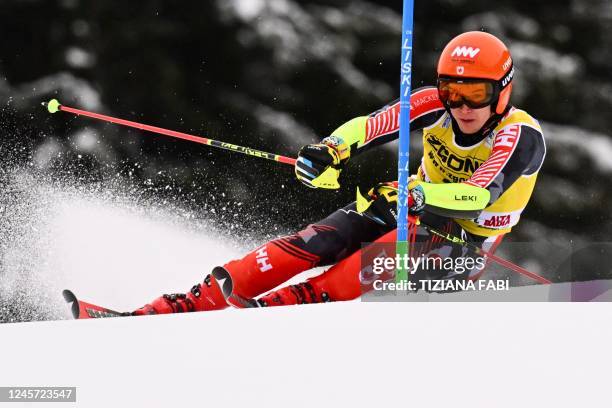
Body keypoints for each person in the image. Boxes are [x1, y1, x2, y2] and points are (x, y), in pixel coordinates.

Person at [131, 31, 546, 315]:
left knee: (363, 264)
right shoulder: (432, 105)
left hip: (462, 238)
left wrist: (418, 196)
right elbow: (370, 125)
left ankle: (278, 313)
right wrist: (330, 150)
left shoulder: (520, 135)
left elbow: (478, 197)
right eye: (451, 92)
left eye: (476, 94)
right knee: (316, 241)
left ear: (502, 91)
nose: (462, 106)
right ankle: (180, 307)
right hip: (411, 201)